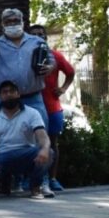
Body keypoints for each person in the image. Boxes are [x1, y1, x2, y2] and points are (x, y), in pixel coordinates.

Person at [0, 80, 53, 199]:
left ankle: (35, 187)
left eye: (12, 91)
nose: (8, 94)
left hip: (27, 155)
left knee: (49, 152)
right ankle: (5, 182)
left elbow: (42, 136)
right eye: (5, 92)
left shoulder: (32, 113)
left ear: (18, 94)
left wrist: (44, 149)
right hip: (3, 156)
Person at [28, 24, 74, 192]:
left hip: (52, 108)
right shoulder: (26, 57)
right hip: (31, 108)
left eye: (42, 34)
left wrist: (63, 88)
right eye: (34, 34)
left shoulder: (55, 56)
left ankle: (53, 179)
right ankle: (32, 179)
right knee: (30, 145)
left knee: (52, 144)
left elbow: (70, 72)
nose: (39, 37)